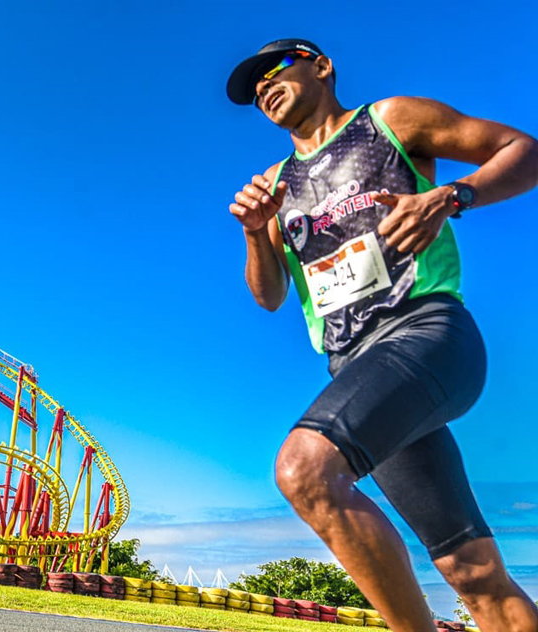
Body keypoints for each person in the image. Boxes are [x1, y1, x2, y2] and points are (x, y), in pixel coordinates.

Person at [226, 39, 538, 632]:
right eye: (253, 88)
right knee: (472, 573)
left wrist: (451, 196)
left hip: (427, 334)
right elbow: (268, 297)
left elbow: (523, 149)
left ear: (320, 66)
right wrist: (254, 231)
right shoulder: (275, 185)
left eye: (275, 70)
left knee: (305, 468)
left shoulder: (390, 120)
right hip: (354, 368)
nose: (264, 86)